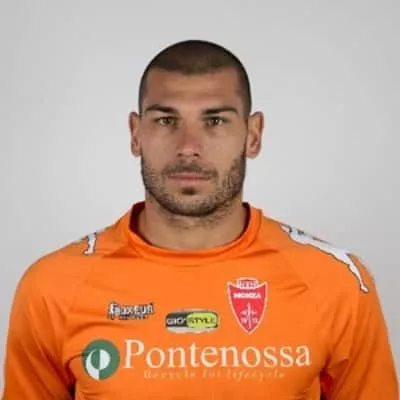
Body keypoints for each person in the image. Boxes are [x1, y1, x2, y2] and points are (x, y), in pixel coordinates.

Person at [1, 39, 398, 399]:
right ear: (136, 134)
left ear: (253, 135)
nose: (189, 147)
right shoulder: (53, 287)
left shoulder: (335, 282)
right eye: (166, 120)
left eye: (215, 121)